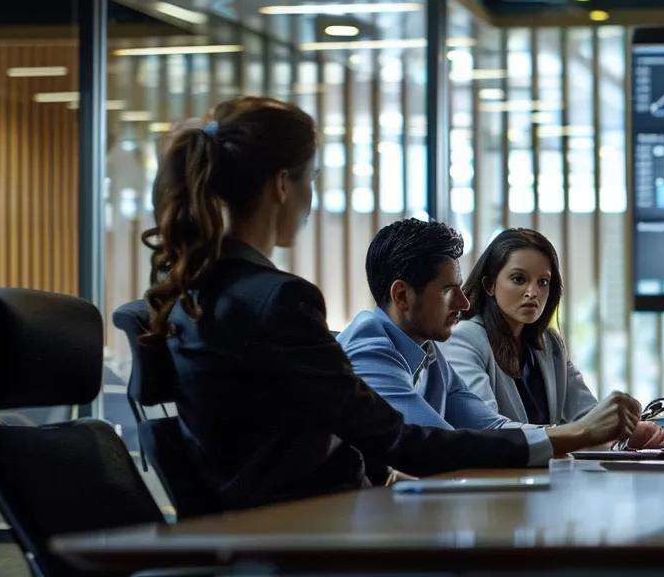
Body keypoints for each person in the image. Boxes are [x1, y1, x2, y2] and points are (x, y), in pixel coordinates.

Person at [142, 97, 628, 511]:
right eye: (310, 180)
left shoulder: (203, 293)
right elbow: (398, 440)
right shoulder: (277, 301)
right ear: (282, 185)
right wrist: (572, 436)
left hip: (300, 519)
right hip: (307, 530)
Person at [338, 219, 664, 464]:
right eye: (447, 291)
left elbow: (488, 425)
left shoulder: (429, 352)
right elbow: (438, 446)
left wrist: (607, 430)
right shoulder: (370, 345)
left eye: (543, 283)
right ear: (402, 295)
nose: (463, 304)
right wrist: (579, 433)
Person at [442, 228, 599, 425]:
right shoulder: (464, 338)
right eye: (519, 279)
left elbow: (589, 416)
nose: (533, 292)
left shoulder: (550, 343)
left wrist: (630, 428)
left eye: (543, 282)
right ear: (489, 285)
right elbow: (485, 429)